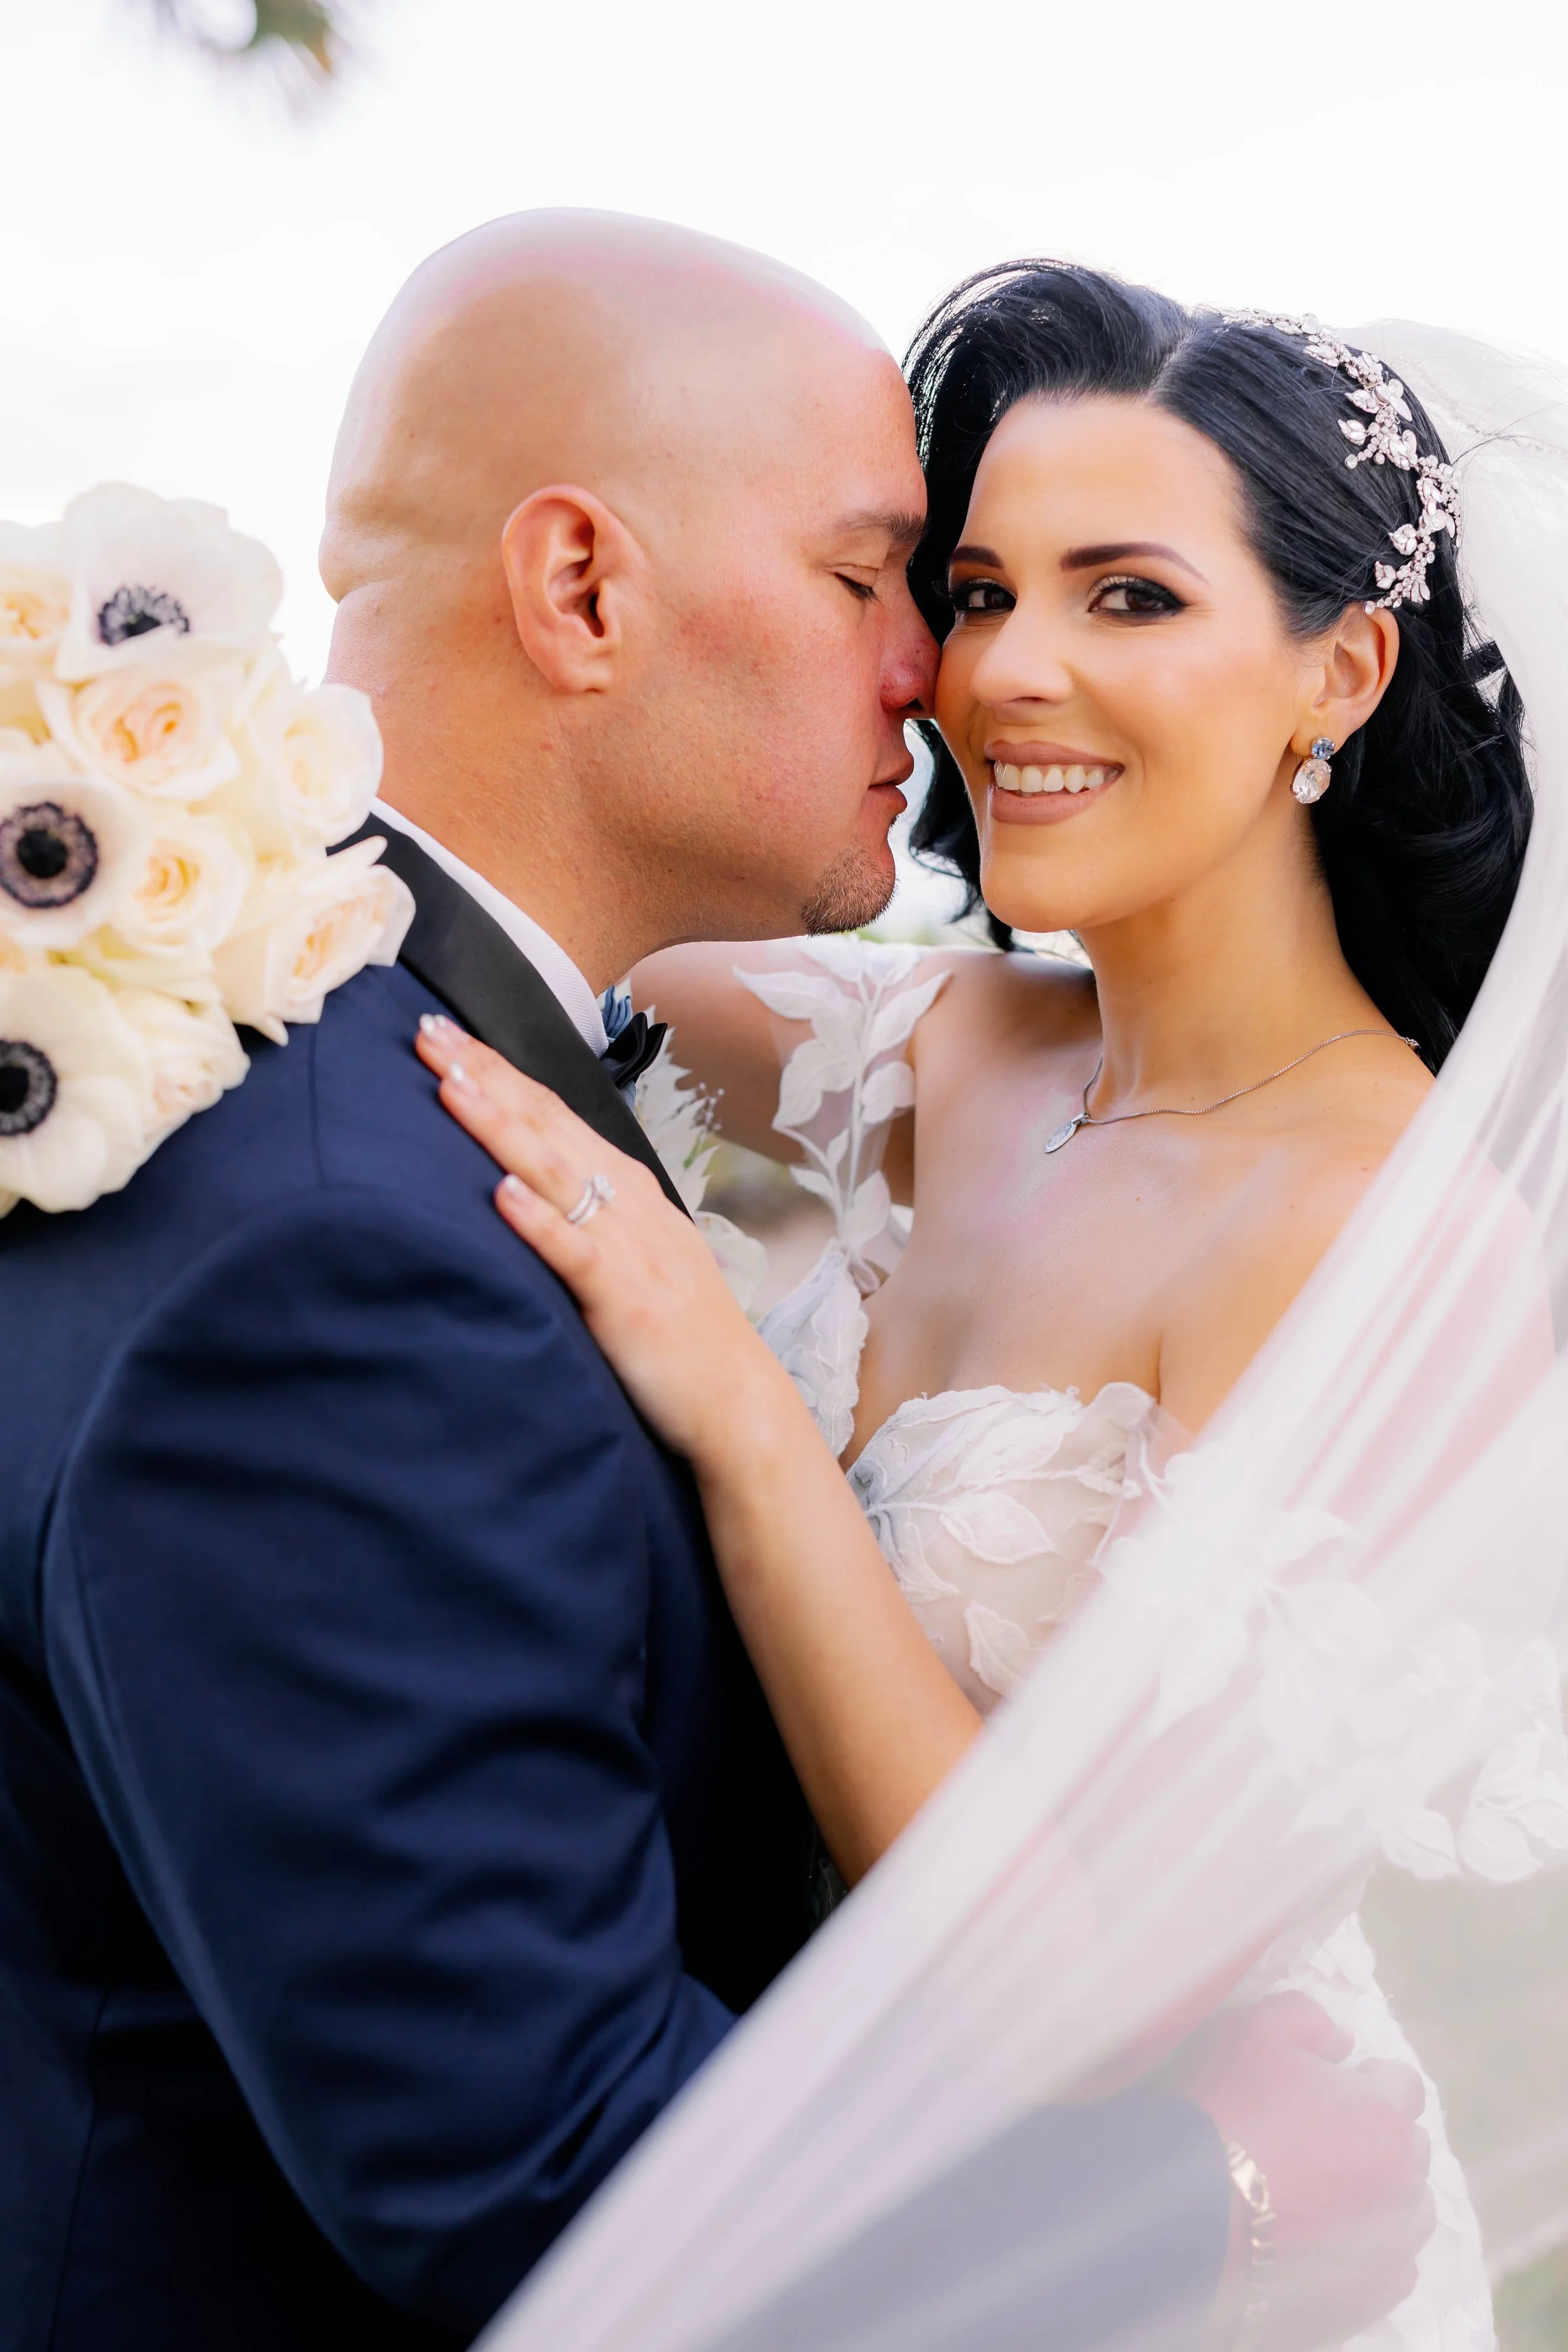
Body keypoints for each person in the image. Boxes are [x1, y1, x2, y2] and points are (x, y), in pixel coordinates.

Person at [0, 218, 1429, 2352]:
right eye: (887, 581)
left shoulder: (310, 1048)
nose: (935, 678)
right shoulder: (324, 1235)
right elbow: (540, 2170)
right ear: (581, 589)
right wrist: (1200, 2194)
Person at [416, 263, 1536, 2350]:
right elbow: (514, 912)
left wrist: (754, 1431)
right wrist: (135, 845)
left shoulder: (1400, 1247)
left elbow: (1084, 2002)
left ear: (1341, 672)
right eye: (976, 587)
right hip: (790, 2174)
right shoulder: (941, 1048)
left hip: (1188, 2252)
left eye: (1127, 596)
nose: (1001, 670)